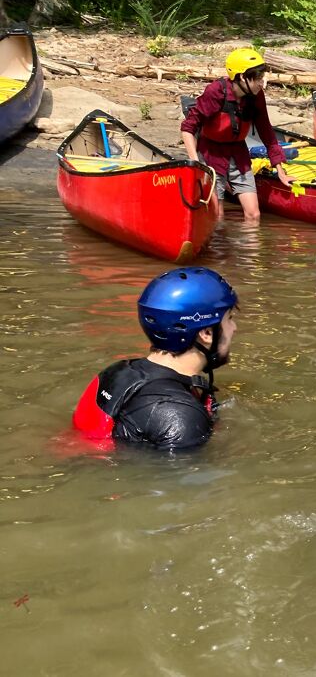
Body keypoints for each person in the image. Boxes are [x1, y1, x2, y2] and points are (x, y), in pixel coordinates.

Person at [72, 267, 238, 450]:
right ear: (206, 333)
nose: (234, 328)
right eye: (229, 319)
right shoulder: (181, 417)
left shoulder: (118, 370)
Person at [180, 48, 294, 225]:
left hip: (239, 156)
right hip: (211, 156)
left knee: (253, 215)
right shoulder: (215, 92)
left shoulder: (256, 96)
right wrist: (196, 164)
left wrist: (280, 170)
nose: (262, 83)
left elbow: (267, 132)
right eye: (257, 79)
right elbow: (188, 127)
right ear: (242, 77)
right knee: (217, 216)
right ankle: (219, 251)